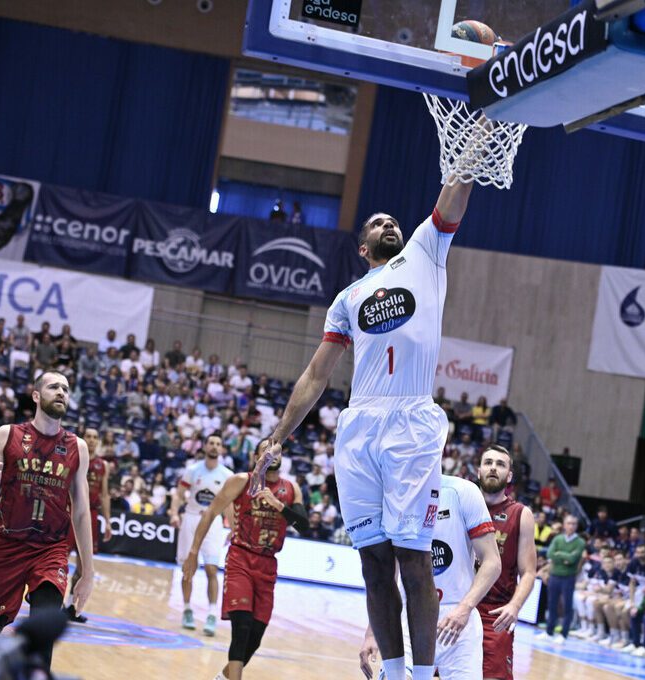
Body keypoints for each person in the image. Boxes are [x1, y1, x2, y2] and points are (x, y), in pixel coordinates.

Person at [249, 178, 477, 680]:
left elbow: (452, 198)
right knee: (373, 561)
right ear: (362, 246)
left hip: (411, 419)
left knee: (412, 557)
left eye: (392, 220)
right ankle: (393, 676)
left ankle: (422, 675)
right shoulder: (348, 298)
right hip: (359, 427)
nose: (389, 223)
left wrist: (469, 157)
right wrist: (277, 436)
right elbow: (316, 374)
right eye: (378, 223)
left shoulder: (425, 251)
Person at [0, 371, 94, 671]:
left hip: (49, 549)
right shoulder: (7, 434)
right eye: (53, 387)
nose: (61, 391)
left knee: (43, 632)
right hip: (6, 547)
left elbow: (81, 511)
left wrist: (88, 572)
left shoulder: (78, 447)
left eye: (65, 388)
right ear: (36, 396)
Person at [183, 440, 308, 680]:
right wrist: (193, 551)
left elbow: (303, 525)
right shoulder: (241, 481)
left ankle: (223, 677)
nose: (272, 453)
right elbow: (211, 512)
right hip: (241, 557)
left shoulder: (292, 488)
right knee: (241, 628)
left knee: (255, 637)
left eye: (276, 449)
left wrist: (278, 505)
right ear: (255, 457)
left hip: (268, 564)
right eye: (265, 449)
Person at [359, 474, 500, 680]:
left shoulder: (463, 491)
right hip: (408, 618)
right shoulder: (393, 496)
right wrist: (373, 631)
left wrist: (464, 608)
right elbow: (386, 574)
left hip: (458, 622)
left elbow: (492, 562)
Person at [476, 445, 536, 680]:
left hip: (494, 614)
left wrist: (515, 606)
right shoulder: (461, 505)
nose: (493, 468)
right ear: (478, 470)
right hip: (456, 605)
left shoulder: (521, 514)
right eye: (488, 462)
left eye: (500, 464)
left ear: (509, 476)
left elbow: (529, 572)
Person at [171, 433, 234, 636]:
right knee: (187, 569)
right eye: (211, 443)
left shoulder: (227, 475)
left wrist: (233, 528)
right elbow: (179, 494)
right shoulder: (192, 470)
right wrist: (174, 513)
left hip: (214, 522)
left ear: (222, 449)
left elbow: (230, 504)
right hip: (191, 518)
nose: (215, 446)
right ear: (205, 446)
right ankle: (187, 610)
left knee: (211, 569)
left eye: (218, 443)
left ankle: (212, 614)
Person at [64, 427, 112, 623]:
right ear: (83, 439)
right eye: (88, 437)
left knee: (84, 564)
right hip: (69, 510)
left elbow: (104, 494)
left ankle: (68, 606)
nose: (91, 440)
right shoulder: (74, 457)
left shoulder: (103, 465)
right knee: (59, 556)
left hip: (91, 513)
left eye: (95, 437)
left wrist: (108, 521)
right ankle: (49, 598)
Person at [539, 514, 585, 644]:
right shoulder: (558, 538)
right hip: (554, 575)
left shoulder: (580, 542)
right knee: (552, 605)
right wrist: (564, 557)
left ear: (576, 526)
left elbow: (572, 559)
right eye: (569, 523)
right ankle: (549, 632)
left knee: (567, 606)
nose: (571, 526)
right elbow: (549, 554)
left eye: (574, 524)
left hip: (568, 577)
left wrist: (559, 555)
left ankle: (564, 634)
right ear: (564, 525)